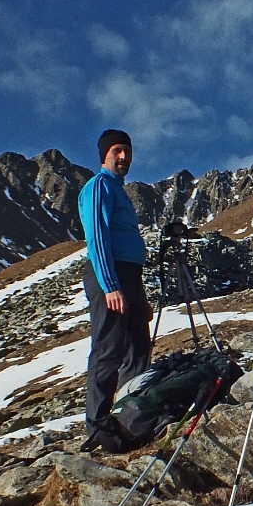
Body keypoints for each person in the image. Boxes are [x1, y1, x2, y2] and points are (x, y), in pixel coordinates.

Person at [79, 129, 152, 448]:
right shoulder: (99, 186)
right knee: (109, 347)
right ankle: (97, 422)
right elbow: (97, 236)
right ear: (105, 155)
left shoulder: (120, 191)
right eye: (117, 151)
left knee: (139, 345)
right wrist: (110, 285)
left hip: (130, 276)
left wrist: (141, 296)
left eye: (128, 152)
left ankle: (130, 414)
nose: (124, 157)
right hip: (109, 276)